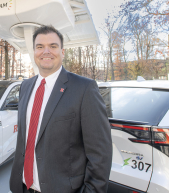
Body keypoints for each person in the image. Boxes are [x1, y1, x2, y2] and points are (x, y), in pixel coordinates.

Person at [9, 25, 112, 193]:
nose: (46, 51)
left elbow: (100, 153)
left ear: (62, 52)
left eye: (53, 46)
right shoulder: (25, 86)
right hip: (22, 187)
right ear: (34, 52)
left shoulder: (84, 89)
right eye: (40, 47)